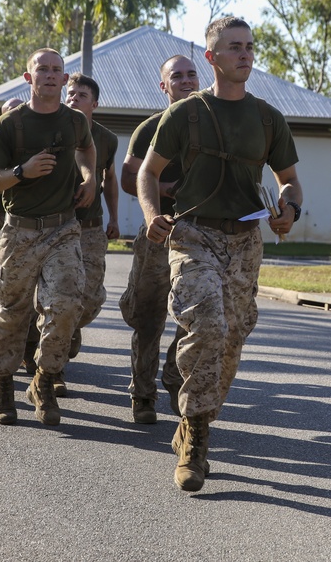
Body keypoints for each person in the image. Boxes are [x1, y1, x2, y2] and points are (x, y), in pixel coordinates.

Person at [137, 16, 303, 492]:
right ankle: (195, 436)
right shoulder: (184, 114)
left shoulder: (268, 117)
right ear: (212, 57)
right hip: (192, 235)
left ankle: (196, 417)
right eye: (234, 47)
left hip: (245, 240)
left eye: (249, 46)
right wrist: (152, 214)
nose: (245, 54)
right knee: (207, 324)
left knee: (231, 339)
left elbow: (288, 179)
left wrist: (289, 207)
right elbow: (148, 174)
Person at [0, 48, 96, 426]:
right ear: (29, 78)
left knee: (65, 306)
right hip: (20, 230)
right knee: (12, 310)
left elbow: (87, 149)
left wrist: (91, 178)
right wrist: (21, 171)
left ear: (65, 80)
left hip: (63, 229)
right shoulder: (10, 124)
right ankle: (3, 382)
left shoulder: (76, 121)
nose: (49, 75)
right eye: (41, 69)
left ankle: (43, 380)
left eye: (56, 70)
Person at [119, 55, 199, 424]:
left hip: (203, 238)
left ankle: (171, 374)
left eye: (190, 74)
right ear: (164, 86)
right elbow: (127, 179)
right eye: (176, 76)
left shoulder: (212, 123)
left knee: (197, 319)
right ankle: (142, 394)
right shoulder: (150, 128)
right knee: (149, 318)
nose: (185, 81)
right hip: (159, 233)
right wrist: (162, 187)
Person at [62, 72, 119, 396]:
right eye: (71, 93)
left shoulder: (107, 138)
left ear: (94, 103)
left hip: (92, 225)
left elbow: (109, 180)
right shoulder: (54, 126)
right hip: (57, 223)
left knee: (92, 296)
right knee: (58, 295)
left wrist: (113, 216)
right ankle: (52, 366)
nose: (74, 98)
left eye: (81, 94)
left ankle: (71, 330)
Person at [0, 97, 40, 374]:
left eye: (18, 110)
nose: (14, 116)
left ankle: (29, 345)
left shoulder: (34, 143)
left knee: (29, 286)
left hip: (27, 222)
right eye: (8, 112)